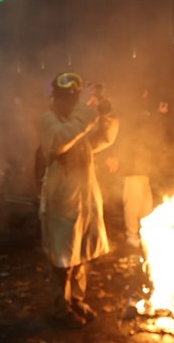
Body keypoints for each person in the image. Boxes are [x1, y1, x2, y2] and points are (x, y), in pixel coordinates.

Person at [38, 72, 119, 327]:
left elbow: (102, 140)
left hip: (83, 202)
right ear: (58, 98)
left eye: (76, 98)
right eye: (69, 98)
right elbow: (58, 142)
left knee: (81, 255)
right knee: (63, 262)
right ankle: (60, 310)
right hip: (62, 203)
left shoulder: (76, 122)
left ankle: (77, 301)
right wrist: (85, 111)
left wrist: (106, 114)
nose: (73, 103)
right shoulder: (49, 121)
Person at [107, 89, 165, 249]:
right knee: (132, 204)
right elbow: (120, 136)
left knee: (146, 205)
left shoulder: (144, 112)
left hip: (143, 167)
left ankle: (145, 234)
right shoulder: (129, 112)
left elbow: (151, 132)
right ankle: (131, 236)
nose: (146, 93)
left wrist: (159, 115)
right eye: (144, 91)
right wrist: (113, 157)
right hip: (131, 166)